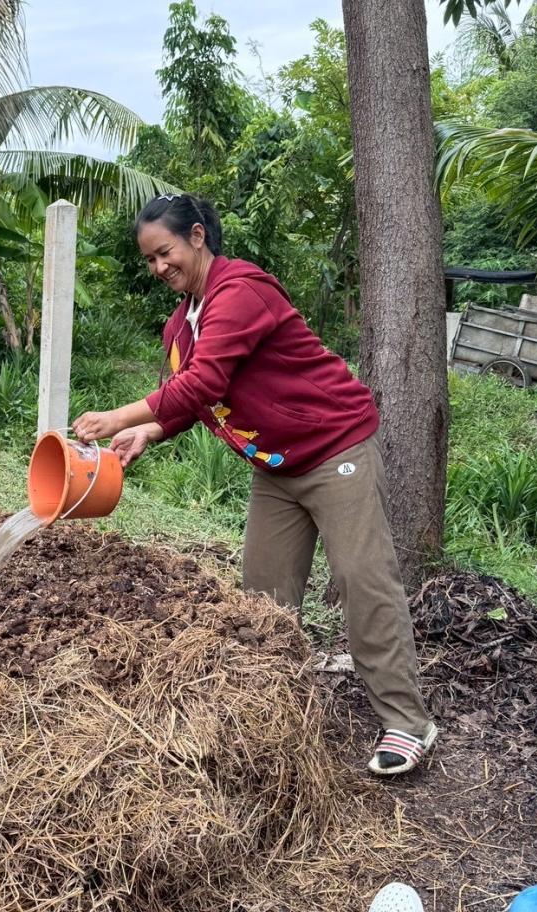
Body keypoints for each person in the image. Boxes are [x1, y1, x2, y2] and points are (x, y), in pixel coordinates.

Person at [72, 193, 437, 776]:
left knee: (362, 578)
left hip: (333, 446)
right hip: (275, 466)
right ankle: (277, 709)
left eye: (164, 252)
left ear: (196, 236)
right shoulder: (180, 325)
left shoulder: (240, 292)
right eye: (149, 260)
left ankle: (405, 724)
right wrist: (149, 432)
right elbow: (200, 395)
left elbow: (206, 378)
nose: (159, 268)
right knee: (263, 598)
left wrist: (119, 418)